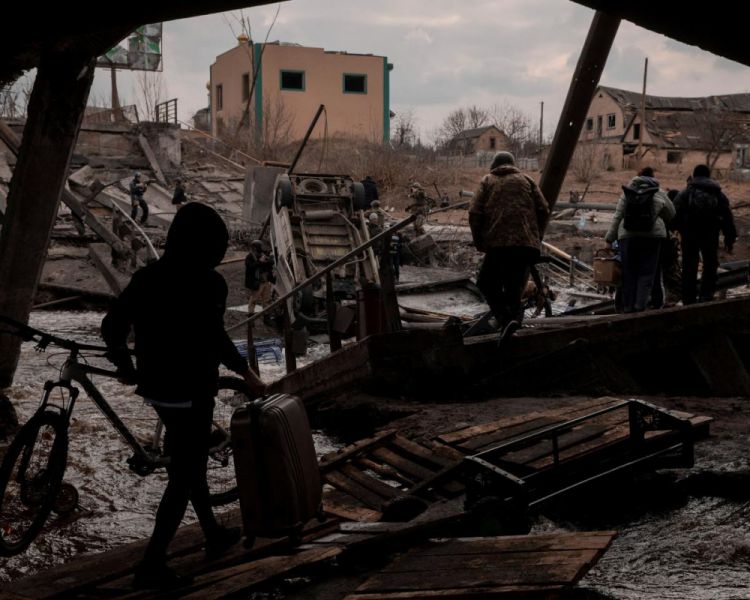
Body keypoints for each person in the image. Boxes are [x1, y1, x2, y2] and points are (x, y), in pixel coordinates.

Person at [102, 203, 265, 589]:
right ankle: (152, 565)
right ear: (209, 245)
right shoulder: (210, 283)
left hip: (158, 388)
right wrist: (247, 374)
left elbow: (112, 326)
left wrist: (125, 365)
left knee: (191, 465)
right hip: (193, 388)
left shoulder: (147, 278)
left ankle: (211, 532)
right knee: (185, 476)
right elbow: (215, 337)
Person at [469, 151, 549, 335]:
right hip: (525, 246)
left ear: (494, 165)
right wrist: (536, 237)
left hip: (498, 245)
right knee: (514, 289)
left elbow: (474, 213)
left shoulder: (488, 181)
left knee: (486, 283)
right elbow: (544, 209)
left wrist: (479, 242)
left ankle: (506, 321)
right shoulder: (527, 180)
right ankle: (513, 329)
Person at [605, 169, 675, 313]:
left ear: (637, 176)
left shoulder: (628, 192)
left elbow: (618, 216)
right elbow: (671, 213)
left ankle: (628, 307)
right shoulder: (658, 192)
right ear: (653, 178)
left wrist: (609, 239)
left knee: (628, 273)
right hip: (652, 238)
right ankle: (640, 307)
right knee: (646, 274)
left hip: (628, 237)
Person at [672, 164, 736, 304]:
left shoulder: (686, 192)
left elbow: (674, 213)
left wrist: (679, 229)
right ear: (709, 175)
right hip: (710, 234)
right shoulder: (718, 193)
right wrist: (729, 239)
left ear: (694, 175)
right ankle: (706, 296)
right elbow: (727, 217)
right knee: (710, 264)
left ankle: (688, 299)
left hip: (689, 235)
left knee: (689, 265)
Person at [244, 240, 275, 313]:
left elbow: (271, 262)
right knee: (254, 300)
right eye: (260, 246)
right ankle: (250, 315)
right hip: (257, 282)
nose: (261, 248)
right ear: (255, 248)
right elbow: (250, 267)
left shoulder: (262, 255)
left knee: (267, 299)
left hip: (265, 280)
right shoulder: (249, 257)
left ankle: (266, 315)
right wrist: (260, 262)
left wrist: (267, 260)